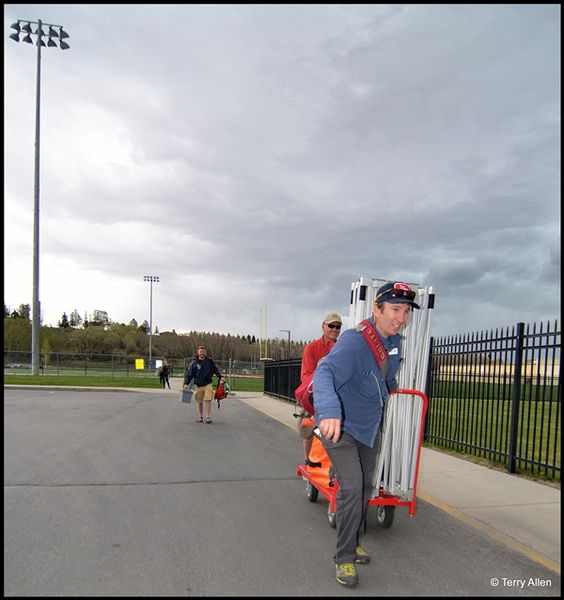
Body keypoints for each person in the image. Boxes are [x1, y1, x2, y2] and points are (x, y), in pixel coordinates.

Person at [312, 281, 419, 586]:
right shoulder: (354, 341)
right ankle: (344, 559)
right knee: (352, 487)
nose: (401, 317)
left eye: (406, 310)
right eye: (395, 309)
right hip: (340, 428)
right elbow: (325, 373)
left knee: (365, 488)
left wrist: (389, 387)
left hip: (369, 428)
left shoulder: (395, 342)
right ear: (377, 309)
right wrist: (330, 410)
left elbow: (382, 375)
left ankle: (356, 540)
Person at [297, 312, 342, 465]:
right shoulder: (312, 348)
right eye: (331, 326)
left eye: (338, 326)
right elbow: (306, 375)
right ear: (323, 326)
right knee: (306, 428)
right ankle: (307, 459)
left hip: (335, 393)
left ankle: (334, 463)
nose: (334, 329)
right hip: (314, 392)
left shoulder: (341, 348)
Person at [184, 345, 222, 424]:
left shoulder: (209, 362)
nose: (202, 353)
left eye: (203, 352)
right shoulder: (194, 363)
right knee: (199, 401)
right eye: (200, 352)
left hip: (208, 384)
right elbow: (190, 374)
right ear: (198, 353)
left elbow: (215, 370)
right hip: (198, 385)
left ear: (205, 352)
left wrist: (220, 377)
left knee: (208, 399)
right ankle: (200, 417)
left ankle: (208, 417)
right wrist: (186, 383)